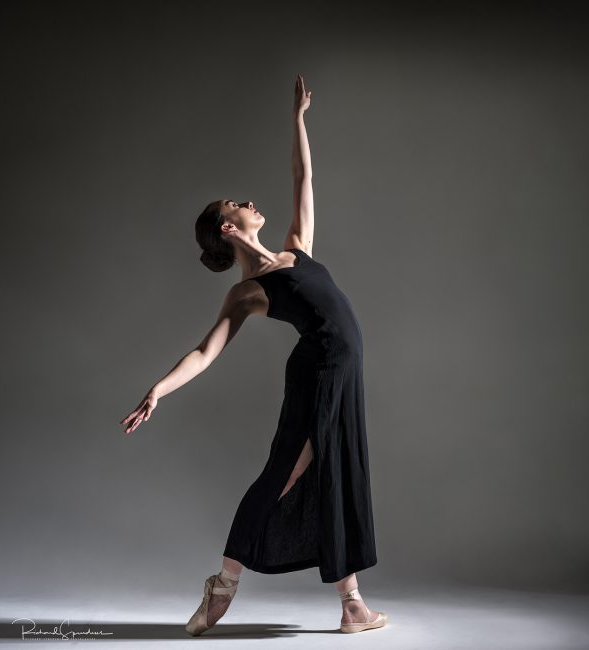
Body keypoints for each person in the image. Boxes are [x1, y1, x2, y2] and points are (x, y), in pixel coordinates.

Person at [120, 74, 387, 636]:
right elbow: (203, 351)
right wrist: (157, 391)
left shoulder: (297, 247)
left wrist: (298, 119)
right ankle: (222, 586)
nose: (249, 202)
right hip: (317, 375)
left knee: (337, 476)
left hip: (346, 370)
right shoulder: (248, 292)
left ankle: (353, 606)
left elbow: (303, 175)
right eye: (237, 205)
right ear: (228, 226)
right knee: (282, 479)